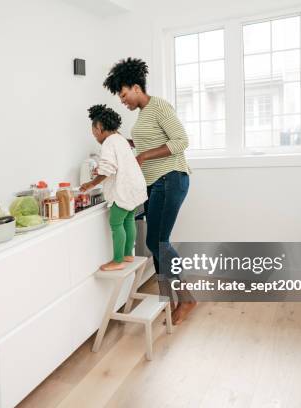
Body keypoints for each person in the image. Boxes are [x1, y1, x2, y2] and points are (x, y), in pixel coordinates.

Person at [103, 57, 196, 324]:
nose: (123, 101)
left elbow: (181, 141)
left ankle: (186, 297)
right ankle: (170, 299)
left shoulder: (159, 106)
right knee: (155, 242)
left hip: (172, 178)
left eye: (123, 95)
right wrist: (126, 142)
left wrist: (143, 157)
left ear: (135, 86)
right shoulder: (144, 114)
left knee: (159, 242)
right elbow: (149, 141)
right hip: (156, 183)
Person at [80, 104, 148, 271]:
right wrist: (101, 171)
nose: (94, 135)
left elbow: (108, 168)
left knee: (116, 223)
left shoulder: (109, 142)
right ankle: (127, 254)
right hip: (135, 188)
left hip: (123, 190)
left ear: (100, 127)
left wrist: (91, 184)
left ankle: (117, 261)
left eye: (94, 131)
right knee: (129, 219)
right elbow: (117, 164)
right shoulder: (120, 139)